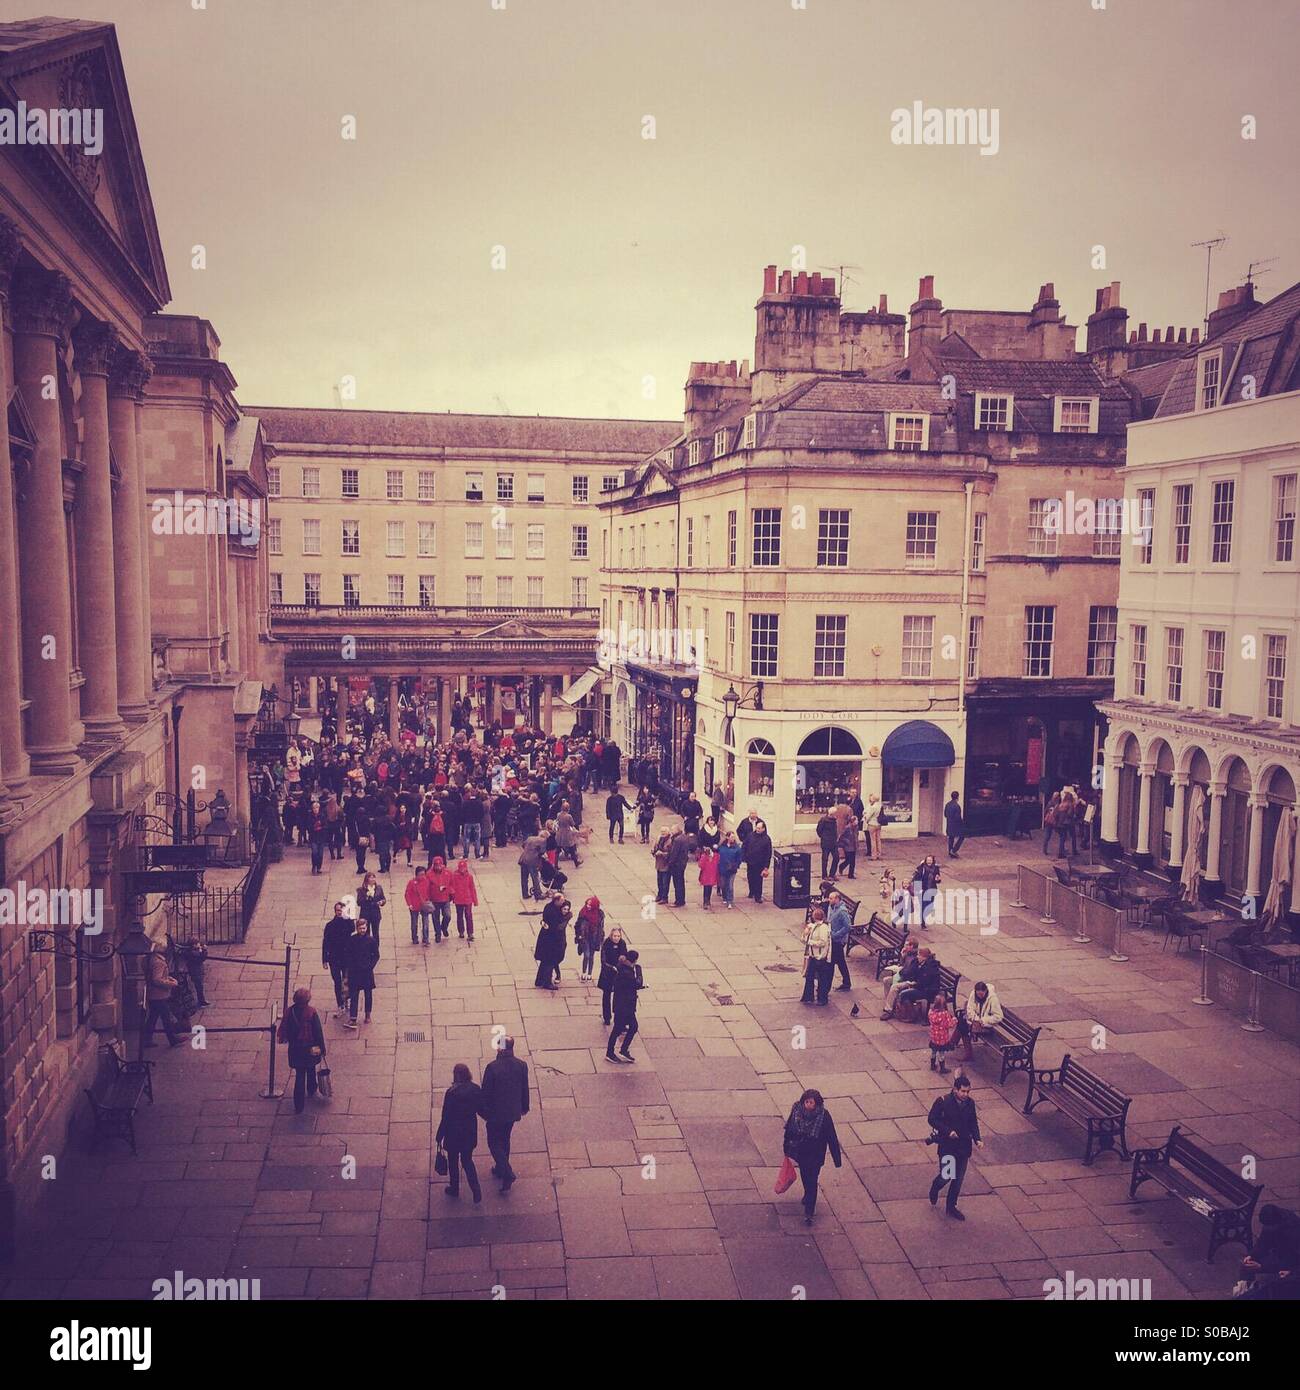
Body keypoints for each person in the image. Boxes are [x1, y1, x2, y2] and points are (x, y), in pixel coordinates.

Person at [782, 1089, 842, 1226]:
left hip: (816, 1154)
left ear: (817, 1104)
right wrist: (786, 1147)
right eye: (807, 1102)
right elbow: (790, 1130)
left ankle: (809, 1211)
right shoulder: (797, 1111)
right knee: (804, 1176)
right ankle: (807, 1194)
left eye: (811, 1103)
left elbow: (832, 1137)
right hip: (802, 1153)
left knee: (812, 1180)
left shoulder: (824, 1116)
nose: (808, 1105)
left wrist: (836, 1159)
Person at [927, 1074, 982, 1219]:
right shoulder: (943, 1102)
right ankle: (935, 1186)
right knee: (946, 1176)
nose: (965, 1094)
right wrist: (948, 1131)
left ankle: (951, 1207)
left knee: (958, 1180)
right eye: (963, 1091)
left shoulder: (970, 1103)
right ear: (955, 1090)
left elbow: (973, 1122)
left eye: (968, 1092)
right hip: (948, 1147)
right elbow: (932, 1119)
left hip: (963, 1147)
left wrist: (977, 1139)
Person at [479, 1037, 530, 1193]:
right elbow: (524, 1088)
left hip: (495, 1113)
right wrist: (524, 1107)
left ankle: (506, 1171)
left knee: (493, 1142)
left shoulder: (492, 1068)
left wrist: (483, 1111)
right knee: (505, 1138)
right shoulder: (521, 1065)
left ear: (500, 1049)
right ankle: (501, 1168)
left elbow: (486, 1092)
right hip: (512, 1112)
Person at [435, 1062, 484, 1204]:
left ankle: (454, 1188)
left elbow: (446, 1116)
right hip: (469, 1132)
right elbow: (481, 1108)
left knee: (453, 1161)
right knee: (467, 1160)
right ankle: (476, 1189)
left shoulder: (451, 1093)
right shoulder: (475, 1089)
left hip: (453, 1133)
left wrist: (440, 1135)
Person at [278, 986, 326, 1113]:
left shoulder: (289, 1012)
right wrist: (322, 1048)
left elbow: (285, 1029)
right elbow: (318, 1032)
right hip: (309, 1047)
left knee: (300, 1074)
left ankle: (298, 1105)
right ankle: (311, 1088)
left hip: (295, 1048)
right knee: (310, 1067)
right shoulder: (311, 1012)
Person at [143, 943, 182, 1047]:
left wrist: (169, 978)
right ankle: (172, 1039)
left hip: (153, 994)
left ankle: (146, 1039)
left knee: (153, 1017)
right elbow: (157, 979)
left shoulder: (150, 959)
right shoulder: (159, 962)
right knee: (166, 1017)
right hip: (159, 995)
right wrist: (172, 983)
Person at [953, 981, 1004, 1060]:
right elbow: (970, 1008)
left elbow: (998, 1016)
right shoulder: (973, 994)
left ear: (985, 991)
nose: (979, 996)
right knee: (962, 1021)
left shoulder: (993, 999)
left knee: (963, 1025)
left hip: (986, 1025)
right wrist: (975, 1019)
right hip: (975, 1021)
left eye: (981, 994)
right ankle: (959, 1047)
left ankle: (956, 1045)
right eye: (978, 994)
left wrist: (983, 1020)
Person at [343, 919, 379, 1028]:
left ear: (367, 928)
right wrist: (348, 970)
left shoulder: (371, 940)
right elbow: (348, 955)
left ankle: (368, 1015)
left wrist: (370, 966)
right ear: (357, 928)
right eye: (360, 928)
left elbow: (376, 955)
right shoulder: (352, 940)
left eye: (364, 928)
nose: (362, 930)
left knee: (368, 994)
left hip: (366, 972)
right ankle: (353, 1018)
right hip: (355, 972)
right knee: (354, 995)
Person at [605, 955, 640, 1063]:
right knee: (618, 1029)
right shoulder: (627, 973)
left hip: (624, 1005)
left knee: (630, 1027)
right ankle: (611, 1053)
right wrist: (639, 971)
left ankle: (623, 1050)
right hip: (624, 1007)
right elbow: (637, 984)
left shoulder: (623, 968)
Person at [322, 901, 353, 1015]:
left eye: (342, 910)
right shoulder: (330, 925)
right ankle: (340, 1004)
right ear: (335, 911)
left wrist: (347, 918)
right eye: (338, 910)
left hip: (345, 958)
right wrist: (324, 959)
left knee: (346, 981)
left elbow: (351, 929)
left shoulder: (348, 923)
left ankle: (346, 1001)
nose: (340, 913)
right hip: (334, 958)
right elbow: (325, 942)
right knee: (337, 982)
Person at [800, 908, 832, 1005]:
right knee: (809, 976)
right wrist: (806, 933)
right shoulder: (813, 926)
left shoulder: (823, 928)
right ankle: (808, 996)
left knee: (822, 979)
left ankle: (822, 999)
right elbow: (803, 939)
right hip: (813, 956)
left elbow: (823, 942)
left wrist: (810, 942)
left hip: (820, 957)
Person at [598, 926, 629, 1024]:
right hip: (607, 974)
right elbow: (603, 960)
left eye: (618, 936)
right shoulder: (606, 944)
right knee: (606, 996)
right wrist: (612, 967)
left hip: (618, 974)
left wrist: (620, 967)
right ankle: (607, 1017)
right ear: (611, 935)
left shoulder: (622, 943)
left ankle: (619, 1020)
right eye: (615, 936)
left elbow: (624, 957)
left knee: (619, 998)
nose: (616, 938)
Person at [534, 902, 567, 990]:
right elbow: (558, 928)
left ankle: (539, 980)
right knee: (550, 962)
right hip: (552, 944)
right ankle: (547, 982)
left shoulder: (549, 908)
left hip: (547, 942)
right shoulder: (554, 915)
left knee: (545, 962)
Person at [741, 818, 773, 902]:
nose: (757, 830)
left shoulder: (767, 839)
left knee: (759, 879)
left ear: (763, 829)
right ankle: (752, 891)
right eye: (757, 828)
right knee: (750, 877)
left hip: (760, 863)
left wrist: (766, 866)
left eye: (759, 828)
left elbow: (768, 853)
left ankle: (758, 896)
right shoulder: (750, 835)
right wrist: (744, 856)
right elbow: (744, 845)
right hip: (750, 862)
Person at [827, 890, 853, 991]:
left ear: (837, 899)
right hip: (832, 939)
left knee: (832, 962)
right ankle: (847, 982)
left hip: (838, 941)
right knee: (841, 962)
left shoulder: (842, 911)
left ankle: (827, 986)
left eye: (831, 898)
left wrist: (835, 935)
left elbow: (847, 927)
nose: (829, 900)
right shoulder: (831, 907)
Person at [575, 896, 605, 981]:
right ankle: (584, 972)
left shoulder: (600, 914)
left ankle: (589, 973)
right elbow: (577, 925)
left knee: (591, 956)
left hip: (594, 937)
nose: (588, 906)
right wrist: (578, 935)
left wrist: (601, 938)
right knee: (586, 955)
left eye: (590, 905)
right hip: (585, 937)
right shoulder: (582, 913)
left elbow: (601, 927)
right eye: (587, 904)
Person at [927, 991, 958, 1073]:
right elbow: (949, 1025)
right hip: (942, 1039)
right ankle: (942, 1068)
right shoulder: (945, 1014)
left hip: (934, 1037)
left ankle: (932, 1065)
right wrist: (955, 1020)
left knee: (933, 1051)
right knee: (941, 1053)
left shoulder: (931, 1012)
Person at [426, 855, 453, 940]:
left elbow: (452, 884)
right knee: (435, 917)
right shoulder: (429, 874)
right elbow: (426, 887)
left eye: (439, 864)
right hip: (434, 899)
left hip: (445, 898)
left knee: (447, 916)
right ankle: (437, 934)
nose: (438, 866)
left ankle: (444, 927)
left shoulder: (448, 873)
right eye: (436, 865)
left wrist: (451, 893)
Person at [450, 858, 478, 940]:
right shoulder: (454, 876)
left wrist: (475, 900)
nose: (462, 869)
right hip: (458, 899)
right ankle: (461, 931)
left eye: (464, 868)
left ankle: (470, 933)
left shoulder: (469, 876)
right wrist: (453, 895)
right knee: (459, 916)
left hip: (467, 899)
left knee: (468, 915)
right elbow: (452, 886)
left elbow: (472, 888)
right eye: (461, 868)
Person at [666, 825, 692, 907]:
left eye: (672, 830)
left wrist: (670, 862)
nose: (671, 831)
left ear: (677, 830)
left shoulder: (677, 840)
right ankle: (682, 900)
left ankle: (678, 901)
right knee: (681, 882)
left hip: (677, 864)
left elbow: (674, 853)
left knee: (677, 883)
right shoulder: (684, 837)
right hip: (682, 863)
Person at [405, 867, 432, 945]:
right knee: (414, 923)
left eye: (424, 874)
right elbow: (407, 894)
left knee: (426, 923)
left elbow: (429, 892)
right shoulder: (411, 883)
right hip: (414, 905)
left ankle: (426, 938)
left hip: (424, 905)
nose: (422, 876)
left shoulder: (427, 881)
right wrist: (409, 904)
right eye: (421, 875)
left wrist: (428, 901)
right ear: (416, 875)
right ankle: (414, 938)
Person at [518, 831, 546, 902]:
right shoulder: (543, 841)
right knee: (535, 877)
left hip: (523, 859)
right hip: (532, 860)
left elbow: (523, 845)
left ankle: (525, 894)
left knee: (524, 878)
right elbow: (542, 851)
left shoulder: (530, 838)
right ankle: (538, 893)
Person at [718, 832, 742, 909]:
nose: (733, 838)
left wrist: (735, 865)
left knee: (730, 885)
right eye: (731, 837)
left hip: (732, 869)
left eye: (734, 837)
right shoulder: (721, 847)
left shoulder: (737, 848)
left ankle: (730, 901)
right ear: (727, 837)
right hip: (722, 868)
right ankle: (724, 897)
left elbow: (739, 859)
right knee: (723, 884)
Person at [652, 828, 673, 904]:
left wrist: (662, 853)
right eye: (661, 831)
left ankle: (665, 897)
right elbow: (655, 848)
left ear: (668, 832)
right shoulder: (659, 839)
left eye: (664, 831)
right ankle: (659, 895)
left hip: (666, 865)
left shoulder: (670, 841)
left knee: (665, 882)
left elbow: (671, 854)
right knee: (659, 881)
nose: (662, 833)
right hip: (659, 864)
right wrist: (653, 851)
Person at [816, 812, 838, 881]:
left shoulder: (834, 821)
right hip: (826, 843)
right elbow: (818, 830)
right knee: (825, 859)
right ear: (831, 814)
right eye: (835, 814)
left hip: (833, 842)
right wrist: (823, 837)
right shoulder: (823, 820)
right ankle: (824, 875)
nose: (836, 816)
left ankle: (832, 874)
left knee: (836, 857)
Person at [944, 791, 965, 858]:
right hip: (955, 825)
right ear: (957, 797)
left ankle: (950, 851)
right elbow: (958, 817)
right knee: (962, 837)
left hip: (949, 824)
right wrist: (962, 823)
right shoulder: (957, 806)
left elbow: (945, 814)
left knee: (951, 838)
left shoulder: (947, 804)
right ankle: (954, 850)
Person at [863, 794, 883, 861]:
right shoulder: (880, 806)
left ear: (874, 799)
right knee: (878, 840)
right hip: (878, 824)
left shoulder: (873, 807)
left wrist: (866, 819)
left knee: (873, 840)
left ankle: (874, 856)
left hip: (872, 824)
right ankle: (879, 854)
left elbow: (868, 816)